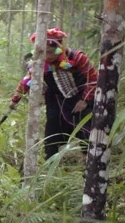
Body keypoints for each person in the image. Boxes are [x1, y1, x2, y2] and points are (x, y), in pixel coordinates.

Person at [9, 28, 97, 159]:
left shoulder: (77, 57)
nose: (47, 57)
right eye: (43, 53)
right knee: (52, 129)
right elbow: (27, 81)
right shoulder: (38, 63)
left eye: (50, 53)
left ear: (59, 48)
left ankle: (90, 160)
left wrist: (85, 99)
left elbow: (93, 78)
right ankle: (50, 161)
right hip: (55, 99)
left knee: (85, 128)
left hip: (80, 97)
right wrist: (15, 100)